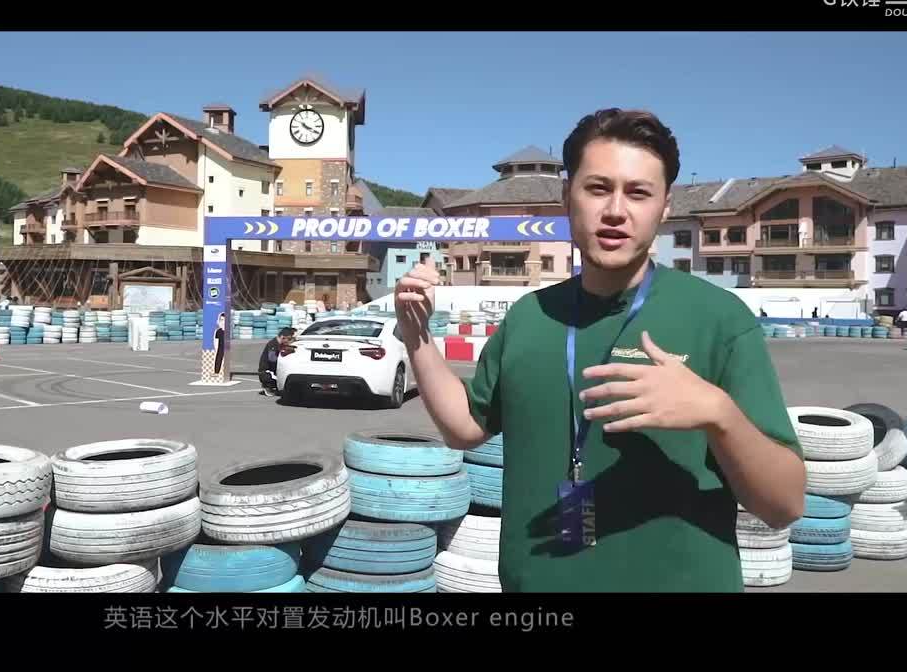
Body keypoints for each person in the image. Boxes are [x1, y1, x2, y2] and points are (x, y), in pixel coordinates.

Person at [395, 108, 805, 592]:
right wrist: (416, 334)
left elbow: (784, 505)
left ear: (665, 206)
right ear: (567, 196)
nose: (615, 210)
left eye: (638, 193)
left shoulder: (719, 319)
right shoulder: (529, 316)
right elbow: (465, 427)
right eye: (597, 188)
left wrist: (719, 414)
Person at [258, 327, 296, 396]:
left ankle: (275, 385)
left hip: (273, 370)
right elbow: (272, 359)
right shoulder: (273, 344)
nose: (289, 341)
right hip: (267, 372)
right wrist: (285, 354)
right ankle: (267, 386)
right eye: (289, 339)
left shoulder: (280, 344)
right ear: (283, 337)